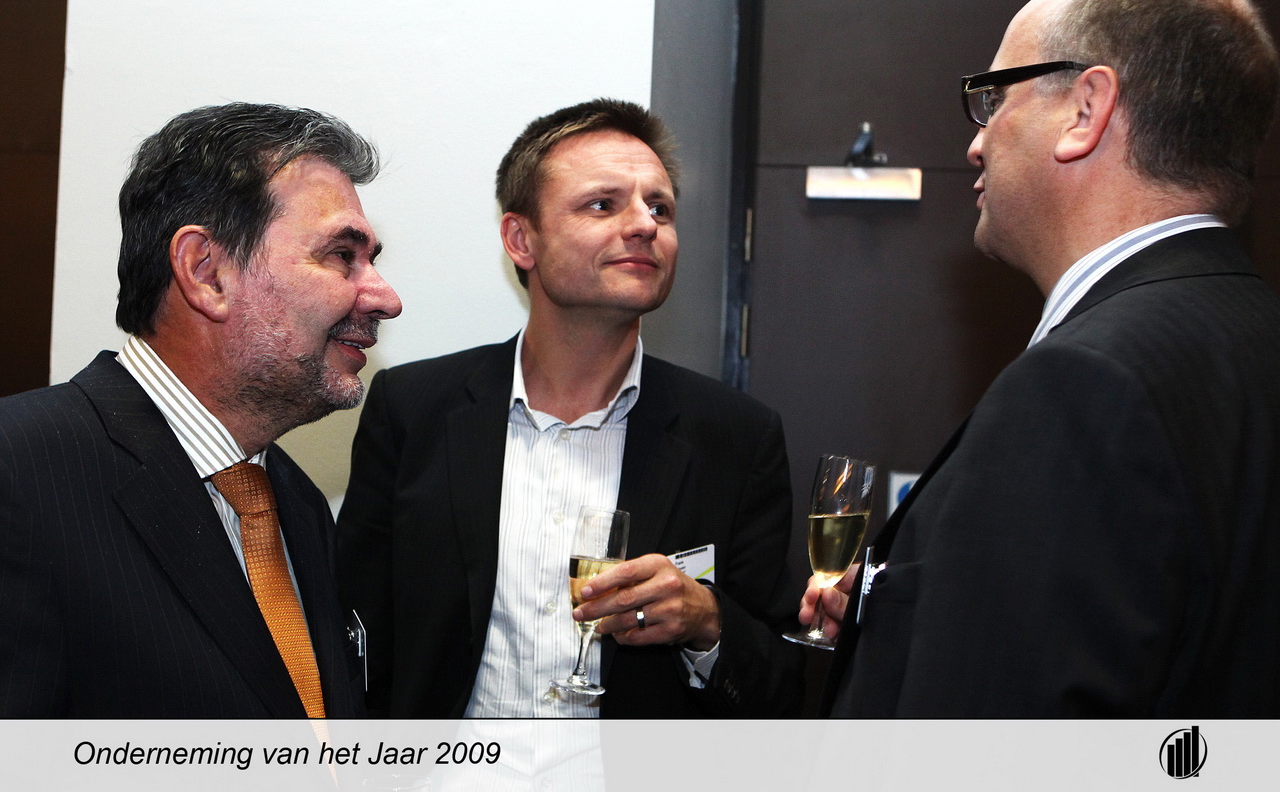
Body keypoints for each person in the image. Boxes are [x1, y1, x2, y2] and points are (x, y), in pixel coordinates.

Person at [811, 0, 1280, 717]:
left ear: (1086, 112)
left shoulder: (1084, 387)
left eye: (995, 98)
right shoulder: (1248, 334)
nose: (977, 141)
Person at [337, 98, 803, 718]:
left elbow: (784, 682)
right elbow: (354, 636)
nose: (644, 226)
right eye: (603, 204)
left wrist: (707, 624)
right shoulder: (413, 409)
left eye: (659, 208)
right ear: (521, 239)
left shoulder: (737, 436)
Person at [0, 102, 403, 717]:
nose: (385, 298)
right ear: (206, 272)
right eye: (341, 256)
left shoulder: (296, 502)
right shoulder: (18, 473)